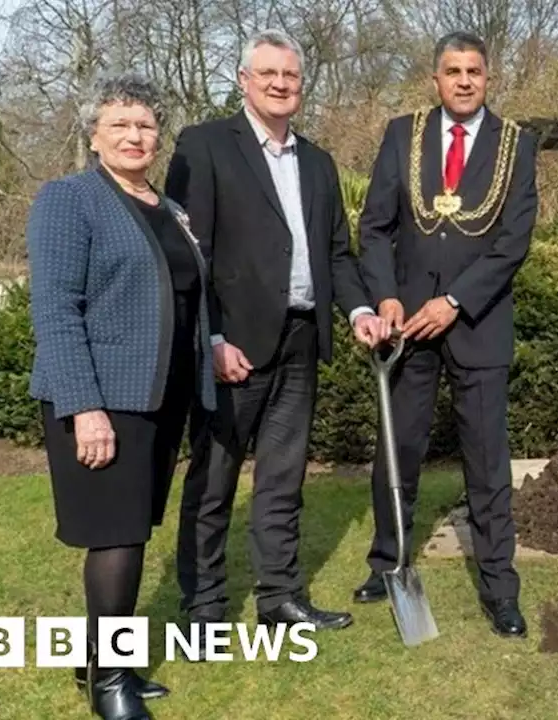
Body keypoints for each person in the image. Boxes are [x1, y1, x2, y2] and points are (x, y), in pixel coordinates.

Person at [164, 29, 391, 646]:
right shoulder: (205, 146)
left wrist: (359, 311)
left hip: (300, 340)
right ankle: (205, 603)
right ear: (244, 80)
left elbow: (337, 255)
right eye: (267, 74)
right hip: (232, 345)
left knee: (283, 479)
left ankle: (280, 599)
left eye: (290, 76)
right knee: (214, 479)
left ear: (300, 84)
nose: (280, 84)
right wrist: (209, 338)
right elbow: (189, 254)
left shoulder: (317, 162)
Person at [27, 74, 216, 719]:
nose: (135, 136)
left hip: (160, 397)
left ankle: (95, 660)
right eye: (120, 125)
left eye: (145, 125)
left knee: (132, 530)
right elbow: (55, 310)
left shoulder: (168, 208)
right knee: (118, 538)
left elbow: (183, 299)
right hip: (103, 399)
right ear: (93, 134)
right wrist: (85, 408)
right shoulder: (69, 199)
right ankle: (111, 681)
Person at [350, 31, 538, 638]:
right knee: (397, 449)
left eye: (474, 71)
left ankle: (499, 588)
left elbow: (513, 240)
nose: (463, 80)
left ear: (488, 78)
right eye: (452, 71)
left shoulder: (518, 144)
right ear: (435, 79)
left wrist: (455, 301)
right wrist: (385, 296)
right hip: (405, 325)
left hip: (476, 325)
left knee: (485, 462)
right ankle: (389, 564)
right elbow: (375, 227)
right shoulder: (403, 135)